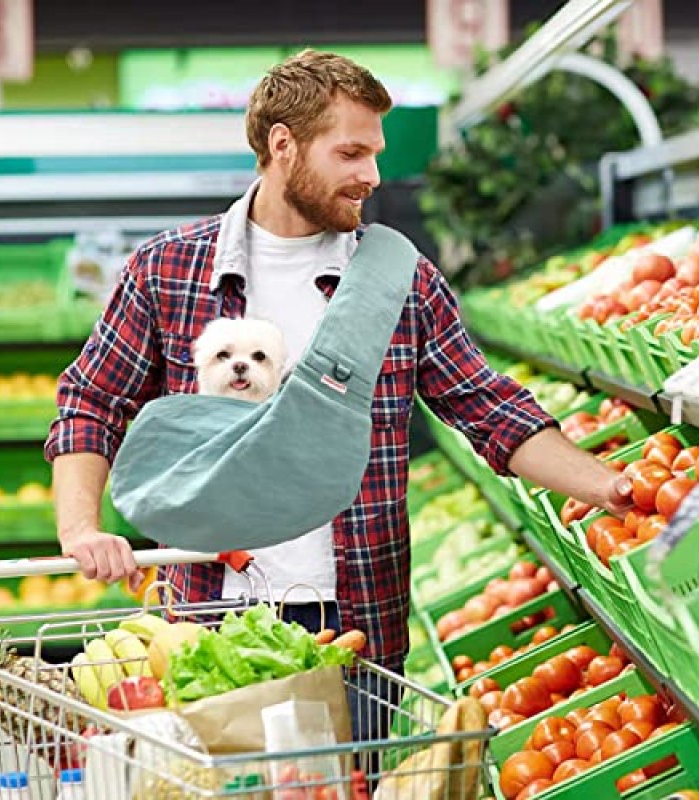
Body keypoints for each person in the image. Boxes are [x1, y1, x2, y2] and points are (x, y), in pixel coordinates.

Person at [45, 49, 632, 677]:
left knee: (349, 779)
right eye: (351, 154)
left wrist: (611, 488)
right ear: (283, 146)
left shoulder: (396, 280)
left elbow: (487, 410)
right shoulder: (168, 270)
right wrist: (81, 528)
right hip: (208, 621)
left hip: (354, 628)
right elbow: (92, 400)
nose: (373, 175)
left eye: (374, 154)